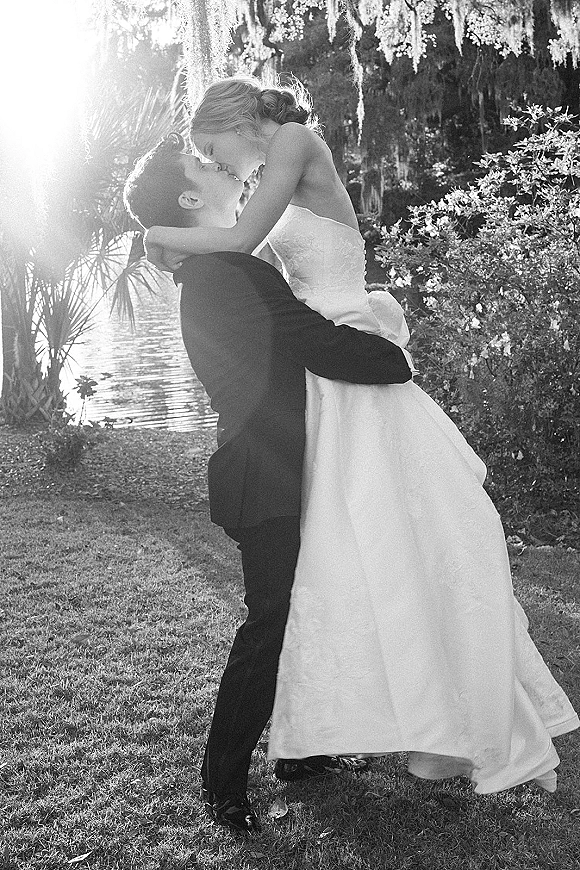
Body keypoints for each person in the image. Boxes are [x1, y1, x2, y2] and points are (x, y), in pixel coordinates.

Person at [144, 74, 579, 800]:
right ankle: (334, 733)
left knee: (399, 539)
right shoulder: (257, 188)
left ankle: (423, 719)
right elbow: (248, 262)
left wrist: (158, 235)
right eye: (203, 160)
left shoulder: (292, 140)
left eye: (209, 148)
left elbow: (245, 241)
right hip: (323, 374)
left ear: (229, 119)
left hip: (344, 348)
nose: (214, 163)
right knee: (351, 557)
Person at [123, 134, 413, 834]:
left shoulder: (217, 268)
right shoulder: (228, 274)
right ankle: (222, 783)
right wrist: (394, 349)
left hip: (277, 466)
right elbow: (317, 343)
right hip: (264, 475)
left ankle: (301, 752)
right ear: (192, 197)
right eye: (205, 165)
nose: (221, 166)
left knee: (300, 612)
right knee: (271, 624)